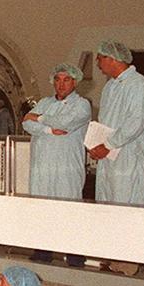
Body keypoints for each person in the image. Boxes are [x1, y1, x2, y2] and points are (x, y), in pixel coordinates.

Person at [23, 64, 91, 265]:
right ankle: (43, 251)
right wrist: (48, 130)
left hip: (67, 166)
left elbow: (66, 123)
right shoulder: (45, 102)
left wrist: (39, 118)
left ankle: (74, 255)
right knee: (42, 207)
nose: (61, 84)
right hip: (42, 165)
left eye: (66, 79)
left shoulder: (82, 105)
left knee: (69, 208)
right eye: (58, 79)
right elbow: (26, 123)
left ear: (75, 82)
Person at [88, 41, 144, 206]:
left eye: (100, 58)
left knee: (127, 207)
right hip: (109, 156)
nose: (97, 63)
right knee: (106, 206)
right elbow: (106, 122)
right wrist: (97, 144)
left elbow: (136, 121)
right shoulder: (110, 86)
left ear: (112, 58)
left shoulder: (137, 84)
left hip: (130, 157)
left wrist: (108, 144)